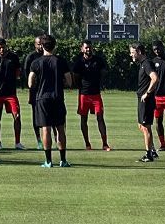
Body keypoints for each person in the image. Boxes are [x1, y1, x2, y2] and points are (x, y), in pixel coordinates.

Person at [28, 33, 72, 167]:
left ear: (42, 46)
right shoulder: (60, 61)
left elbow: (30, 82)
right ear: (54, 46)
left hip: (42, 98)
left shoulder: (36, 62)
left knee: (45, 129)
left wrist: (37, 84)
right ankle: (63, 160)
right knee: (60, 129)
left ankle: (48, 161)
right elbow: (69, 82)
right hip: (57, 97)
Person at [71, 40, 110, 151]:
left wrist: (101, 82)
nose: (88, 49)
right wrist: (79, 86)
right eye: (86, 47)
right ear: (82, 49)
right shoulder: (79, 62)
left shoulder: (98, 60)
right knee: (84, 119)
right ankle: (87, 144)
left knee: (100, 118)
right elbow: (75, 76)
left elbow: (104, 71)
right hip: (84, 95)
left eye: (90, 47)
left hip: (96, 94)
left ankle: (105, 144)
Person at [0, 38, 24, 150]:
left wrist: (14, 79)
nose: (2, 49)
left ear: (6, 46)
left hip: (10, 93)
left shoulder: (13, 57)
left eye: (3, 47)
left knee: (17, 116)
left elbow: (18, 72)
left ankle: (17, 143)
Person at [129, 43, 161, 163]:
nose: (131, 55)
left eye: (133, 52)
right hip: (142, 99)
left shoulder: (147, 63)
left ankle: (148, 154)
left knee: (145, 126)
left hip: (146, 100)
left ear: (139, 52)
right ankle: (152, 151)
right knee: (142, 126)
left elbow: (155, 78)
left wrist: (147, 93)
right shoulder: (142, 64)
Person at [23, 36, 45, 149]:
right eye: (38, 44)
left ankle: (54, 139)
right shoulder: (31, 57)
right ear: (35, 45)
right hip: (35, 91)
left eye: (42, 43)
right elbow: (26, 73)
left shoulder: (47, 55)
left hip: (46, 90)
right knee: (36, 115)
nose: (41, 46)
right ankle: (39, 140)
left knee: (48, 116)